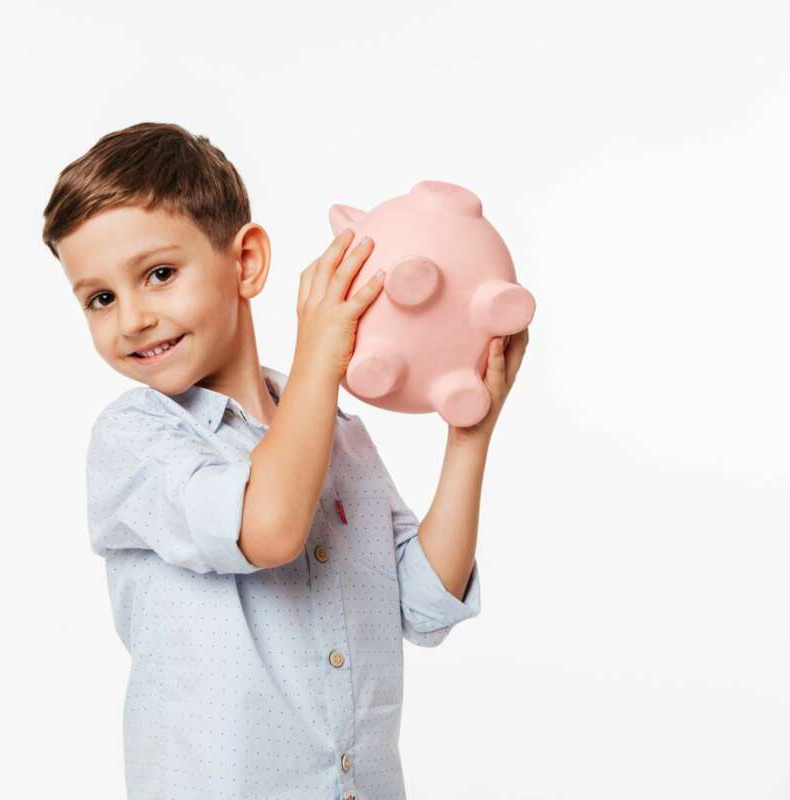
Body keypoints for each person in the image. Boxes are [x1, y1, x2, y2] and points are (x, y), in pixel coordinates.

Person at [41, 121, 529, 800]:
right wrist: (320, 357)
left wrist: (471, 435)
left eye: (158, 274)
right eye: (100, 298)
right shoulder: (135, 440)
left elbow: (426, 606)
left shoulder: (340, 435)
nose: (132, 319)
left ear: (245, 263)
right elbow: (267, 529)